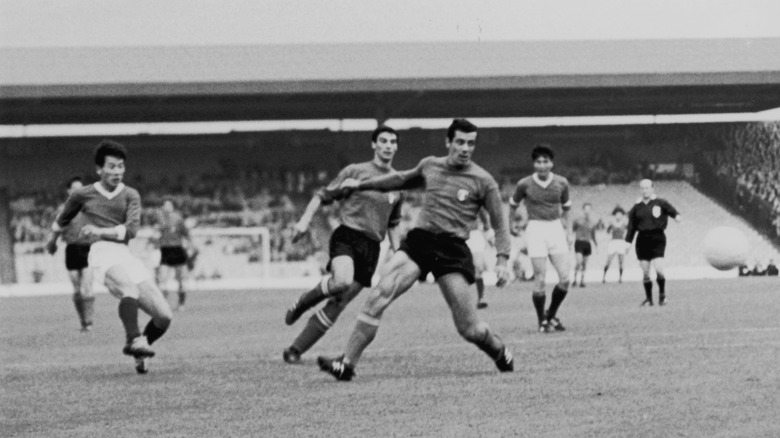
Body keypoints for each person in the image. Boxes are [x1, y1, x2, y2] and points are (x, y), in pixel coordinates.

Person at [318, 118, 514, 381]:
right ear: (448, 142)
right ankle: (347, 363)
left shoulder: (483, 181)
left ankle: (499, 351)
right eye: (460, 142)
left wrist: (502, 259)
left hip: (452, 250)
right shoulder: (430, 165)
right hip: (420, 242)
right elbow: (399, 179)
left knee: (470, 329)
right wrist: (361, 185)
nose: (465, 148)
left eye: (471, 143)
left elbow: (501, 224)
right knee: (380, 294)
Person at [282, 125, 404, 364]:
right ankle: (303, 302)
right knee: (342, 281)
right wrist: (304, 221)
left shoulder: (398, 184)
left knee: (339, 302)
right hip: (348, 236)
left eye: (392, 142)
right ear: (374, 145)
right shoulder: (355, 172)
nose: (388, 145)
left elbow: (394, 223)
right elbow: (322, 195)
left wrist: (399, 253)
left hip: (372, 249)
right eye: (384, 141)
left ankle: (295, 350)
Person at [51, 139, 173, 374]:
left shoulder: (130, 195)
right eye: (112, 166)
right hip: (99, 252)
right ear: (99, 169)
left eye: (121, 166)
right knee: (127, 290)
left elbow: (132, 230)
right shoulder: (84, 195)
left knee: (164, 316)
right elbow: (62, 218)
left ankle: (142, 346)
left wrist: (101, 230)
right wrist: (52, 239)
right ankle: (133, 339)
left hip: (125, 253)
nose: (117, 171)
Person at [509, 144, 572, 333]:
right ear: (533, 163)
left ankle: (550, 315)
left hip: (555, 229)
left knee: (565, 278)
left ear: (552, 163)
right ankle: (541, 321)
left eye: (546, 161)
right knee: (540, 278)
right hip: (535, 229)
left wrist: (568, 231)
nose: (542, 165)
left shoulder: (561, 183)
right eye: (538, 162)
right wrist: (511, 224)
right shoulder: (524, 184)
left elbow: (567, 208)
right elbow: (512, 205)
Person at [45, 176, 95, 332]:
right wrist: (52, 244)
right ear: (69, 191)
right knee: (77, 290)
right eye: (75, 188)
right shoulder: (63, 210)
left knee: (87, 288)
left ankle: (89, 322)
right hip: (72, 249)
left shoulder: (91, 208)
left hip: (88, 249)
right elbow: (57, 229)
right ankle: (83, 321)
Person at [625, 179, 681, 306]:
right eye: (642, 188)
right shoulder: (636, 207)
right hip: (642, 239)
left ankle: (662, 295)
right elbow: (631, 227)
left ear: (652, 188)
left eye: (647, 188)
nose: (645, 190)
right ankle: (649, 299)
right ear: (640, 190)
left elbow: (672, 211)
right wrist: (628, 242)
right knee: (645, 272)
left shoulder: (660, 203)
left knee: (659, 269)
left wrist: (677, 216)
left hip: (657, 238)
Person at [156, 199, 193, 311]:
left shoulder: (178, 219)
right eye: (165, 205)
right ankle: (164, 304)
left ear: (172, 207)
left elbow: (186, 234)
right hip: (166, 250)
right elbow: (158, 234)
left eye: (169, 205)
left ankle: (181, 304)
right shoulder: (160, 219)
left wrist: (190, 247)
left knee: (181, 279)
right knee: (162, 279)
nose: (167, 207)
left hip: (177, 250)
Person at [467, 209, 494, 309]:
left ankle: (481, 298)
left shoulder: (475, 197)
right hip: (460, 234)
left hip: (474, 236)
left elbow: (484, 218)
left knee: (478, 267)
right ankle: (463, 300)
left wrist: (489, 235)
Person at [572, 203, 598, 287]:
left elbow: (593, 235)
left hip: (587, 243)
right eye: (586, 209)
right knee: (579, 261)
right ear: (583, 210)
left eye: (589, 209)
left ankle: (582, 280)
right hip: (579, 242)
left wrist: (596, 245)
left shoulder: (592, 222)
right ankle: (575, 278)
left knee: (584, 263)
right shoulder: (578, 220)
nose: (587, 211)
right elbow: (572, 229)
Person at [602, 206, 629, 283]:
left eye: (620, 214)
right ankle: (604, 276)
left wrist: (627, 245)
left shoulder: (624, 224)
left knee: (621, 261)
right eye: (617, 214)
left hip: (621, 242)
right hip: (613, 242)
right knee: (609, 260)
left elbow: (629, 233)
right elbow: (607, 231)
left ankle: (620, 278)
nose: (618, 216)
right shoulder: (612, 224)